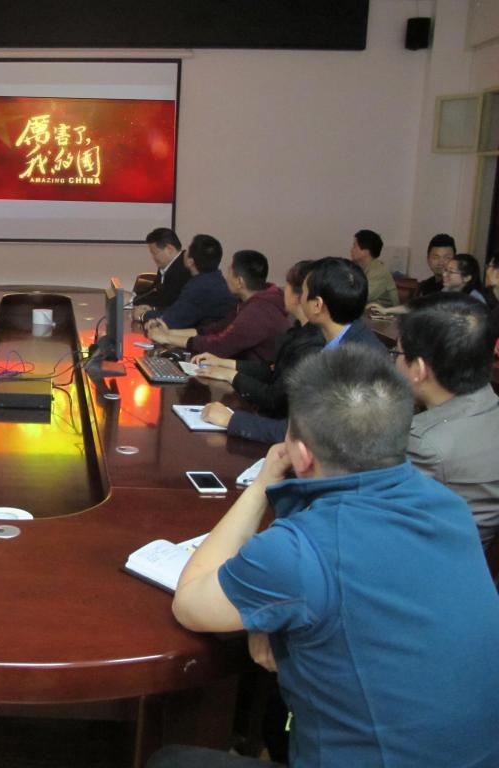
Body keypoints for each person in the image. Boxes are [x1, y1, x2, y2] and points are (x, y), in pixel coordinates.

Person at [151, 345, 499, 768]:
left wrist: (263, 483)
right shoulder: (450, 508)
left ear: (300, 454)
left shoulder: (300, 550)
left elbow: (190, 604)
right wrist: (274, 620)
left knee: (170, 760)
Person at [200, 257, 385, 440]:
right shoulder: (344, 340)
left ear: (317, 305)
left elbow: (308, 433)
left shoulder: (358, 361)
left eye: (303, 291)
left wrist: (233, 420)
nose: (298, 297)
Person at [396, 293, 499, 547]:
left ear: (419, 369)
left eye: (397, 352)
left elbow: (387, 520)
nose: (395, 361)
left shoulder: (425, 444)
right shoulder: (489, 402)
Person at [193, 260, 323, 426]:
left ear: (300, 296)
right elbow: (271, 370)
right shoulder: (299, 331)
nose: (282, 291)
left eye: (287, 286)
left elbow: (274, 398)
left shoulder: (311, 344)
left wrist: (231, 376)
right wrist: (223, 364)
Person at [147, 250, 291, 362]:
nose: (226, 278)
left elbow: (220, 346)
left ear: (240, 282)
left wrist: (167, 339)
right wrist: (169, 333)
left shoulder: (258, 312)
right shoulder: (248, 302)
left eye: (229, 273)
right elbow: (214, 330)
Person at [142, 234, 236, 331]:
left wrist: (143, 315)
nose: (183, 252)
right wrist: (153, 311)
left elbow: (173, 320)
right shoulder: (216, 279)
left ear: (190, 262)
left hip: (204, 337)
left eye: (187, 249)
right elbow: (178, 309)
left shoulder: (200, 287)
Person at [131, 227, 189, 321]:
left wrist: (133, 300)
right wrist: (133, 298)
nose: (153, 257)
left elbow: (166, 301)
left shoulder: (184, 268)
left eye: (155, 253)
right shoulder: (167, 264)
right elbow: (154, 291)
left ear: (169, 249)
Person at [349, 228, 398, 308]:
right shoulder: (360, 268)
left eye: (354, 246)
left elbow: (359, 297)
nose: (351, 250)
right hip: (369, 313)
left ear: (365, 252)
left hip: (386, 315)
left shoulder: (379, 272)